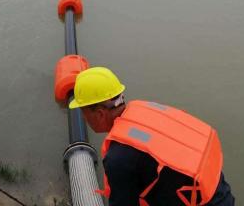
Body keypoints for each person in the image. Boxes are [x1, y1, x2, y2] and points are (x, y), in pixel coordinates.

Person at [69, 67, 235, 206]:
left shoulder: (118, 158)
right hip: (220, 193)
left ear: (99, 114)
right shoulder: (143, 109)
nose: (83, 119)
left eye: (83, 113)